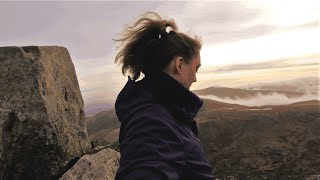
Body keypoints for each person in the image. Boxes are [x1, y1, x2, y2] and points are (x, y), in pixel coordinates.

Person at [114, 12, 214, 179]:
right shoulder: (152, 123)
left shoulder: (164, 109)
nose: (196, 78)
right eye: (196, 68)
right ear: (180, 64)